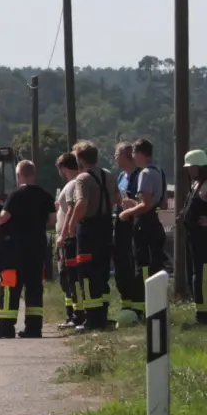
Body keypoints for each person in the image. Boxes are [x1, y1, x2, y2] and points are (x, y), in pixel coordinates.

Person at [0, 161, 56, 339]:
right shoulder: (45, 195)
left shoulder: (16, 194)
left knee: (10, 285)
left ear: (18, 176)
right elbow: (53, 219)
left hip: (16, 247)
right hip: (38, 246)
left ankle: (6, 327)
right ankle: (33, 328)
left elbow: (4, 216)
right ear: (34, 174)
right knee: (34, 286)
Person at [67, 140, 121, 332]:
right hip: (106, 226)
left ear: (81, 158)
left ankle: (91, 320)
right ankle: (102, 317)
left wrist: (72, 226)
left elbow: (81, 203)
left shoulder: (82, 179)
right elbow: (118, 198)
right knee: (102, 273)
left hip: (89, 230)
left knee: (88, 274)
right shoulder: (109, 175)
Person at [119, 138, 169, 299]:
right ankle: (158, 301)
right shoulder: (159, 171)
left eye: (133, 153)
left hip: (144, 224)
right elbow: (163, 204)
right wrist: (137, 204)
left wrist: (126, 213)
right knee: (156, 262)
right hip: (155, 223)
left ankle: (144, 301)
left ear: (140, 154)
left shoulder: (145, 173)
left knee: (143, 263)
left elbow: (145, 205)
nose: (132, 157)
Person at [110, 142, 142, 318]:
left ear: (125, 156)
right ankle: (126, 303)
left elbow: (146, 203)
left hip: (133, 225)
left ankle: (137, 306)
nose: (115, 158)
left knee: (132, 264)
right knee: (120, 263)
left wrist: (132, 204)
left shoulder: (139, 176)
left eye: (116, 154)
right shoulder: (121, 175)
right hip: (120, 222)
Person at [52, 152, 84, 328]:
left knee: (70, 277)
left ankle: (77, 314)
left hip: (68, 239)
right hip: (66, 238)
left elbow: (71, 210)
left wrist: (63, 235)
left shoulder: (72, 184)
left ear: (64, 168)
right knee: (66, 278)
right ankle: (71, 313)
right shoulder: (72, 184)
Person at [182, 150, 207, 324]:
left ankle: (204, 314)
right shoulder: (196, 185)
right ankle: (200, 311)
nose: (189, 171)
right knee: (194, 274)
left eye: (192, 167)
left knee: (202, 276)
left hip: (204, 239)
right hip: (193, 237)